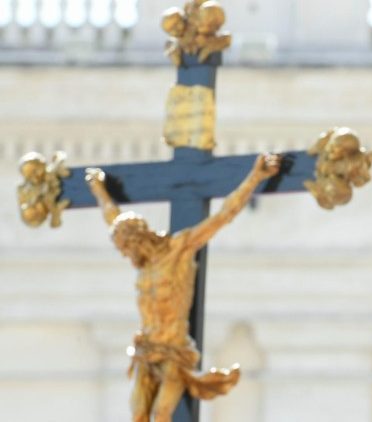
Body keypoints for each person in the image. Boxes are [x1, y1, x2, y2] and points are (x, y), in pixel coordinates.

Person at [86, 153, 280, 422]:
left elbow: (224, 215)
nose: (127, 255)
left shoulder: (179, 250)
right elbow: (113, 217)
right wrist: (98, 190)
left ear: (140, 239)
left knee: (161, 413)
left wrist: (256, 177)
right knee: (138, 414)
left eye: (128, 247)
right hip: (147, 351)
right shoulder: (144, 264)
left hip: (174, 352)